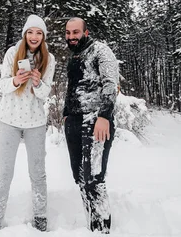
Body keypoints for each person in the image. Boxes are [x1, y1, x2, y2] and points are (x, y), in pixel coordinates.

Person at [0, 14, 56, 232]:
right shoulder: (12, 53)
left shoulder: (49, 59)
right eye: (30, 32)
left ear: (43, 36)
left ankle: (41, 217)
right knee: (4, 172)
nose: (34, 36)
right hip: (9, 120)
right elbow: (3, 86)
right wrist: (16, 80)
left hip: (35, 122)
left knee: (38, 172)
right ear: (25, 34)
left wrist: (37, 83)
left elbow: (45, 93)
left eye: (39, 33)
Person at [63, 17, 119, 233]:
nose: (71, 37)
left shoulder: (100, 51)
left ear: (85, 32)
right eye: (68, 33)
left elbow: (110, 84)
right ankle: (91, 226)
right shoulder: (74, 56)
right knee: (79, 177)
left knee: (94, 178)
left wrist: (104, 116)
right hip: (74, 122)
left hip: (95, 121)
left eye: (75, 32)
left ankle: (102, 230)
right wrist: (66, 115)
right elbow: (73, 87)